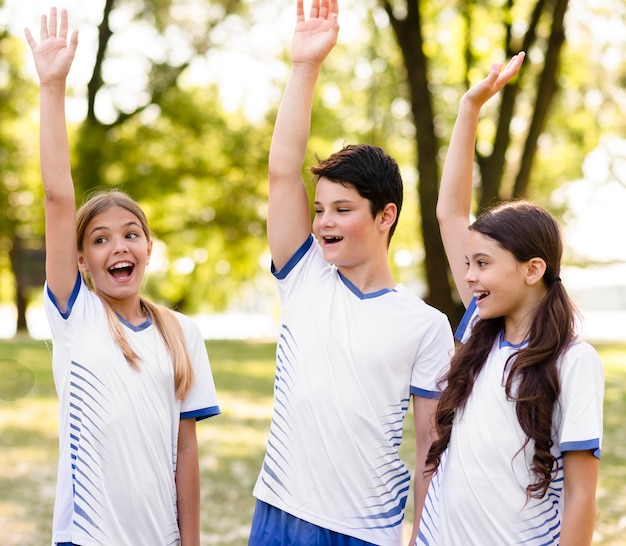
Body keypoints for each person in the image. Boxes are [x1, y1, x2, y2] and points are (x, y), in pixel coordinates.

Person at [249, 1, 454, 545]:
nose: (323, 222)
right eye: (319, 209)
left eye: (342, 209)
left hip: (366, 532)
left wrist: (420, 537)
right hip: (280, 513)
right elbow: (279, 171)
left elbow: (431, 447)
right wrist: (304, 67)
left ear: (385, 216)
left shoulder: (426, 326)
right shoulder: (305, 275)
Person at [25, 8, 220, 545]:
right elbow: (58, 197)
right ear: (81, 259)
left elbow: (186, 452)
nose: (119, 246)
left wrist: (191, 541)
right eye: (100, 238)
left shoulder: (182, 333)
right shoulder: (74, 316)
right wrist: (51, 86)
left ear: (149, 248)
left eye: (131, 233)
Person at [417, 53, 604, 545]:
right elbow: (450, 213)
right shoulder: (478, 328)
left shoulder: (574, 361)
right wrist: (469, 108)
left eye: (483, 264)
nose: (470, 276)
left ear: (532, 270)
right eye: (469, 263)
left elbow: (582, 496)